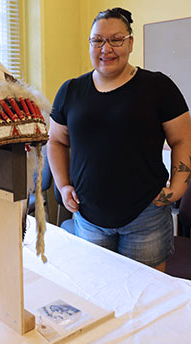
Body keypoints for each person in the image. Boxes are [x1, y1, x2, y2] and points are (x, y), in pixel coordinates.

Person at [47, 7, 191, 272]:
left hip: (145, 217)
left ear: (130, 42)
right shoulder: (71, 90)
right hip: (88, 216)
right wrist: (63, 185)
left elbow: (182, 139)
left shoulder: (158, 87)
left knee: (147, 298)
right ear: (90, 43)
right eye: (98, 40)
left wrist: (178, 188)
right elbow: (55, 141)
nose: (106, 48)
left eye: (116, 39)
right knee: (99, 292)